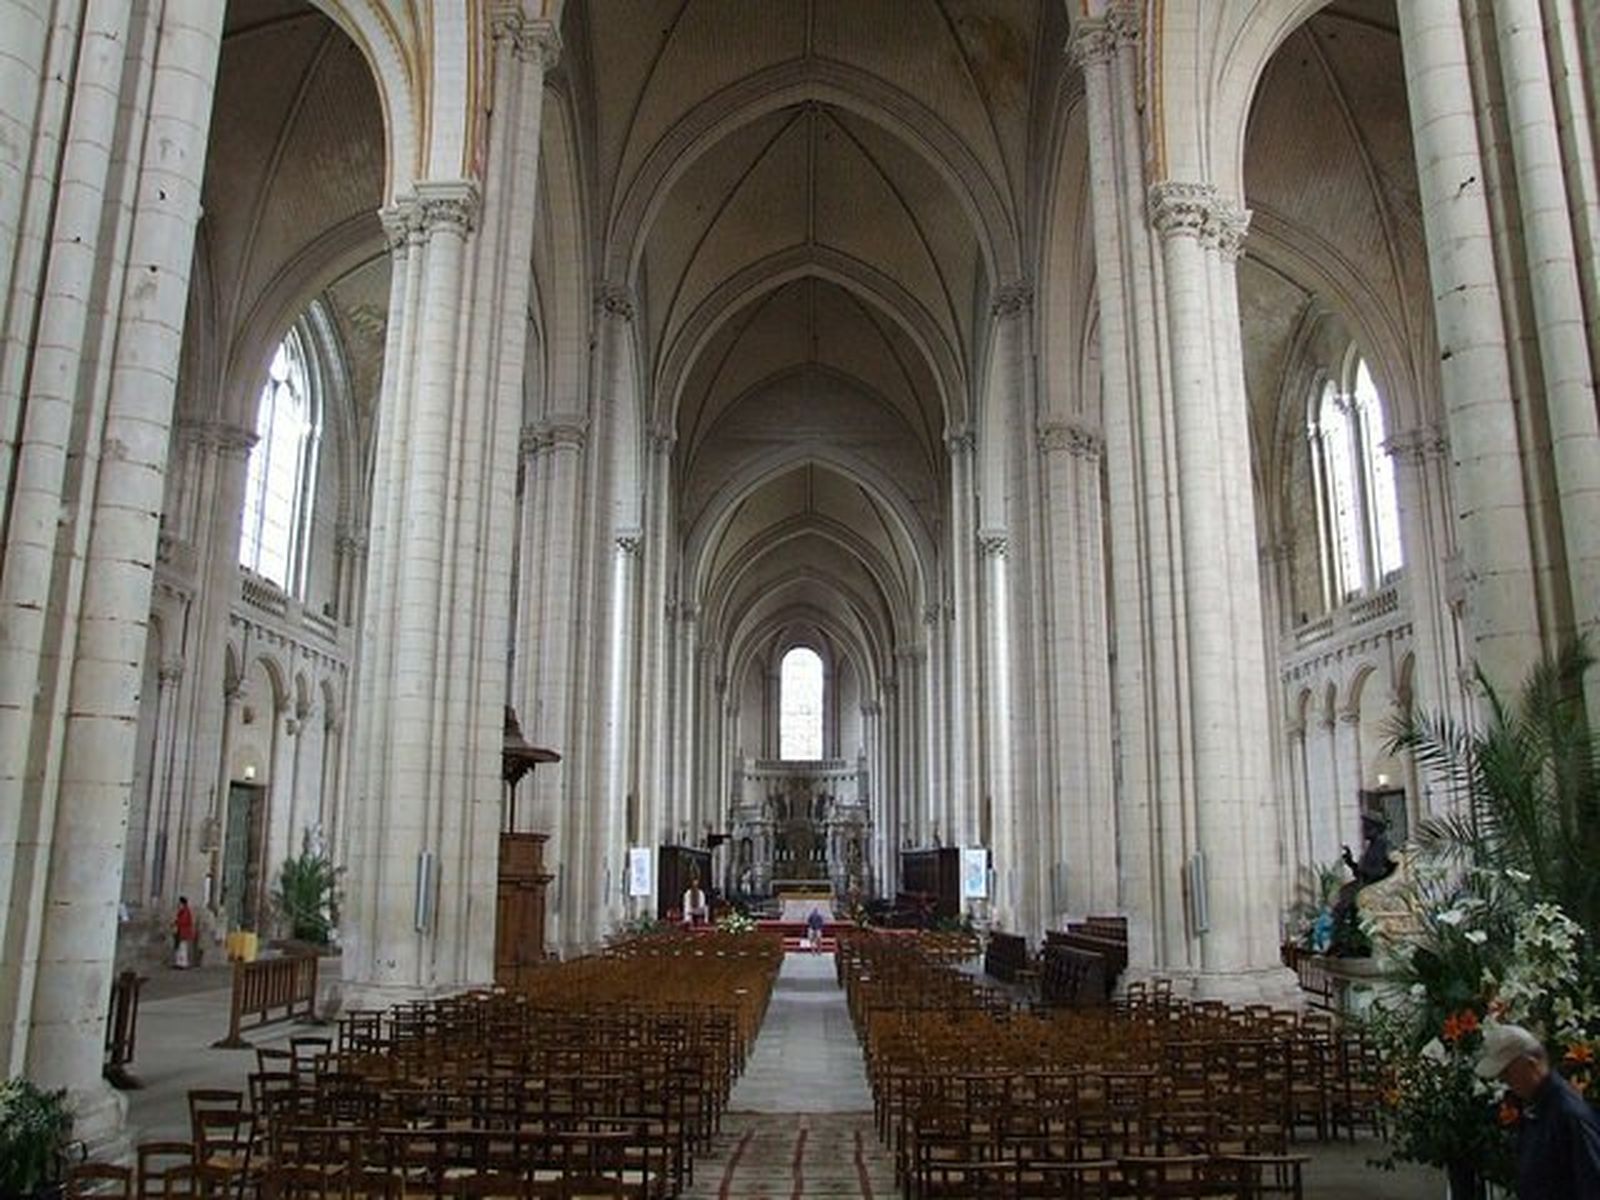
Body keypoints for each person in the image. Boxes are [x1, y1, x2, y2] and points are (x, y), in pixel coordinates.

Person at [1475, 1023, 1600, 1198]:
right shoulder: (1538, 1109)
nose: (1504, 1080)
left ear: (1530, 1065)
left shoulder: (1568, 1114)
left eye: (1507, 1073)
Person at [173, 896, 196, 969]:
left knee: (183, 948)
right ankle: (179, 963)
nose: (178, 905)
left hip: (184, 932)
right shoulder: (183, 911)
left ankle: (183, 963)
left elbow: (184, 921)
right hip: (182, 931)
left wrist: (176, 922)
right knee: (180, 948)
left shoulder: (185, 911)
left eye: (179, 903)